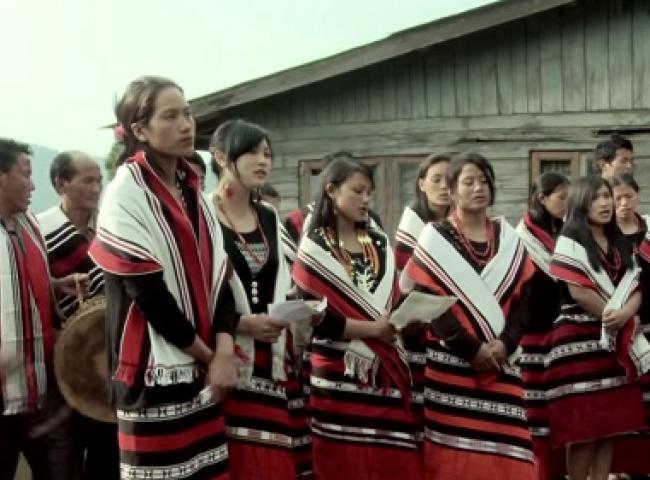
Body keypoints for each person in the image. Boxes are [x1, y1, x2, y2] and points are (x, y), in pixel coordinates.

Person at [88, 76, 240, 479]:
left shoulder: (193, 192)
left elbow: (220, 278)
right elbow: (148, 294)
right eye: (170, 116)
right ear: (140, 131)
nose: (186, 125)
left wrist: (224, 350)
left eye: (187, 113)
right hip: (154, 375)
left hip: (201, 372)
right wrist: (211, 358)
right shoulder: (126, 192)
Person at [403, 153, 537, 480]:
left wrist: (505, 344)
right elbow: (430, 302)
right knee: (456, 457)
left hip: (502, 360)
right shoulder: (435, 237)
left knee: (509, 449)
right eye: (469, 182)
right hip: (453, 364)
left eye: (484, 181)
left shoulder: (509, 239)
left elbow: (523, 302)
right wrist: (471, 349)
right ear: (451, 191)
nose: (479, 188)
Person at [293, 156, 422, 480]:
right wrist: (373, 330)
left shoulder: (378, 242)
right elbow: (316, 315)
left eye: (370, 193)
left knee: (392, 461)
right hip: (338, 373)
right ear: (331, 190)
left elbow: (392, 299)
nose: (366, 200)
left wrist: (408, 317)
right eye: (358, 191)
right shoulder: (315, 247)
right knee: (344, 462)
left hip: (383, 373)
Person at [210, 119, 311, 480]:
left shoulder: (268, 216)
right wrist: (240, 323)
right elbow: (196, 290)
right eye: (251, 152)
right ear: (221, 157)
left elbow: (283, 279)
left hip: (271, 363)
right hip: (222, 359)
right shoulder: (202, 215)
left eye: (267, 153)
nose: (263, 160)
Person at [547, 175, 647, 480]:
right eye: (596, 198)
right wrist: (614, 315)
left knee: (609, 427)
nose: (605, 203)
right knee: (584, 430)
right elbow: (579, 292)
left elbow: (637, 285)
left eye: (606, 197)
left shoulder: (620, 242)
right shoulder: (570, 243)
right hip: (579, 342)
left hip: (614, 343)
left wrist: (627, 313)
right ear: (580, 203)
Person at [0, 138, 83, 480]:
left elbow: (16, 276)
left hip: (42, 388)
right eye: (26, 174)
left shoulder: (30, 225)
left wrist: (55, 284)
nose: (33, 185)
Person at [38, 150, 119, 480]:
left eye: (99, 180)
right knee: (66, 451)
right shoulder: (41, 230)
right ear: (61, 184)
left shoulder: (112, 227)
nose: (97, 188)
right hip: (65, 362)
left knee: (109, 451)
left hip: (112, 358)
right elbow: (33, 292)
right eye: (88, 181)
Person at [515, 171, 570, 480]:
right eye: (561, 197)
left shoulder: (564, 233)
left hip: (559, 337)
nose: (566, 204)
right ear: (542, 198)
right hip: (532, 337)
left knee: (558, 412)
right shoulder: (520, 238)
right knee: (536, 416)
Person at [394, 154, 450, 273]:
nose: (444, 186)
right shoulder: (413, 225)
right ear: (422, 184)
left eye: (449, 180)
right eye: (436, 180)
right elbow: (402, 267)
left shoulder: (458, 220)